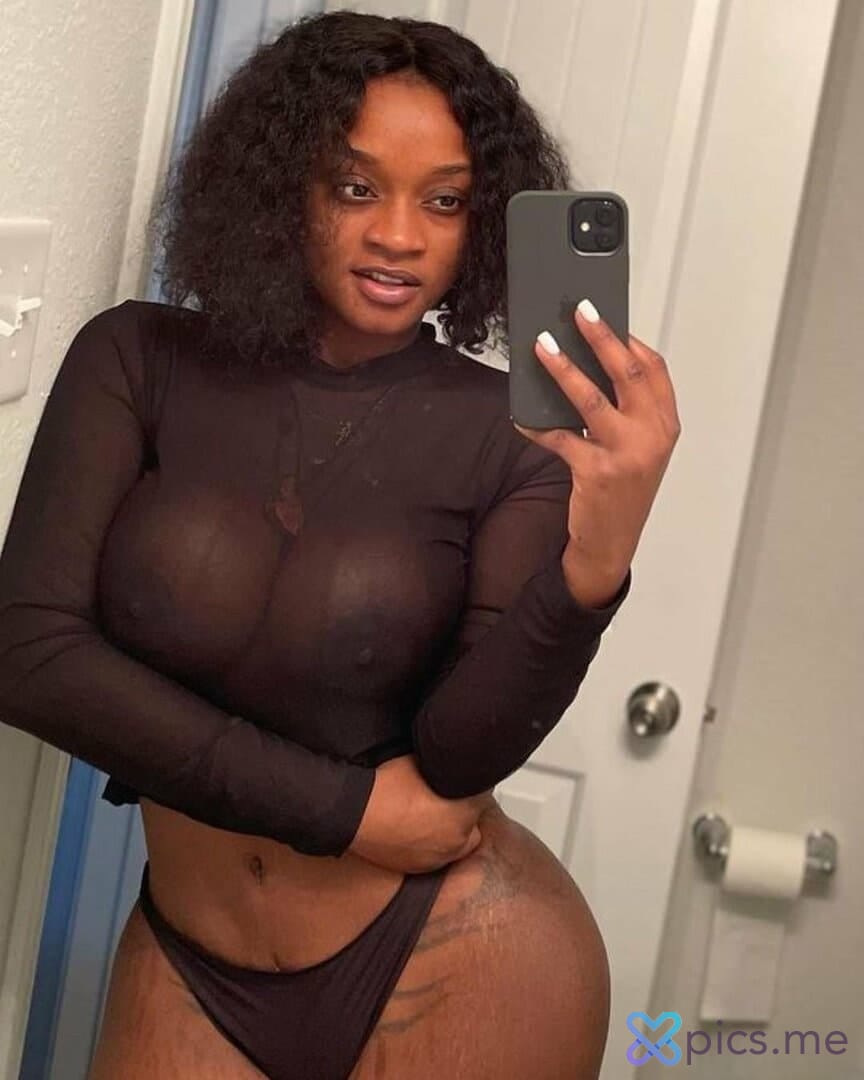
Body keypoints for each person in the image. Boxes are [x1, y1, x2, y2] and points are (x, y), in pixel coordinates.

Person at [0, 11, 679, 1079]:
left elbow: (459, 757)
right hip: (185, 955)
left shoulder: (512, 437)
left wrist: (596, 566)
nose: (401, 236)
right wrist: (346, 809)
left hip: (458, 955)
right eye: (357, 187)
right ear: (284, 188)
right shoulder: (136, 357)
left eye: (444, 200)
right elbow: (29, 655)